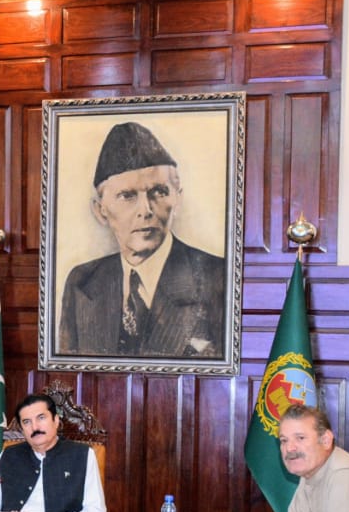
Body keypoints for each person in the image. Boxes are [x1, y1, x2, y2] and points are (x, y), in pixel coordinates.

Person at [58, 121, 225, 357]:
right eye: (127, 196)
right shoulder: (82, 282)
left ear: (177, 199)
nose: (145, 210)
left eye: (159, 192)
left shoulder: (217, 277)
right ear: (100, 211)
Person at [0, 394, 107, 512]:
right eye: (27, 422)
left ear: (56, 421)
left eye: (41, 418)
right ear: (21, 429)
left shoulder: (81, 455)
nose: (35, 427)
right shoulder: (9, 455)